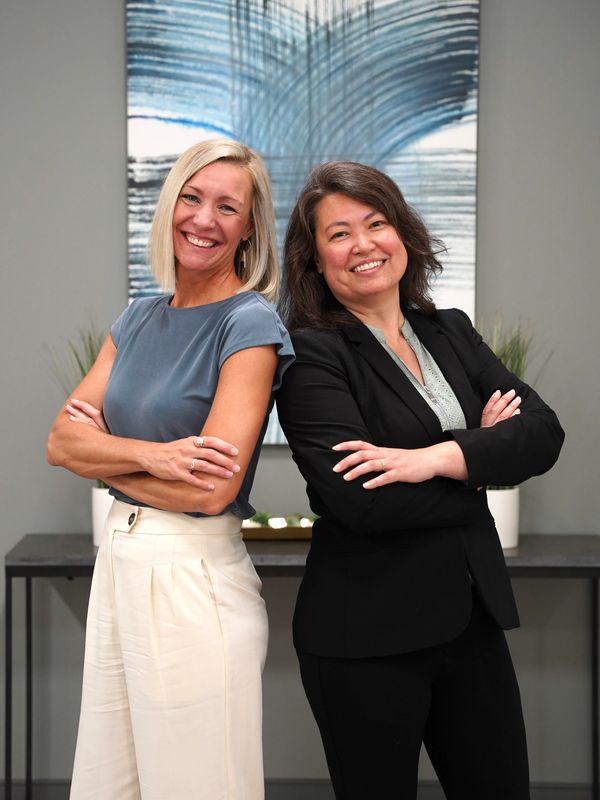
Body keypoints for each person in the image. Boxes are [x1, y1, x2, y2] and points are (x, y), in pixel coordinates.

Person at [276, 160, 564, 800]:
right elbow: (359, 501)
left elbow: (543, 433)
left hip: (472, 620)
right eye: (340, 233)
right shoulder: (309, 352)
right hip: (365, 633)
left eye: (377, 224)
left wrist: (430, 458)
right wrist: (483, 456)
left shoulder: (450, 331)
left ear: (402, 233)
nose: (364, 245)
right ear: (316, 260)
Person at [47, 137, 293, 800]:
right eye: (191, 197)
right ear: (170, 205)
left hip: (192, 582)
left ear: (248, 229)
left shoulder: (249, 324)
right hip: (119, 567)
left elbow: (211, 490)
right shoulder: (137, 317)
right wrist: (154, 457)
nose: (203, 219)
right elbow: (60, 442)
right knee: (108, 787)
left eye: (226, 207)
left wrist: (103, 460)